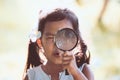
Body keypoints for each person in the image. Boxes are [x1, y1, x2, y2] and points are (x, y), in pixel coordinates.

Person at [23, 8, 94, 80]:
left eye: (65, 36)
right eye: (50, 38)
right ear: (40, 42)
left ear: (75, 41)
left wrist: (75, 73)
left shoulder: (83, 71)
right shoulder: (32, 76)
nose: (57, 44)